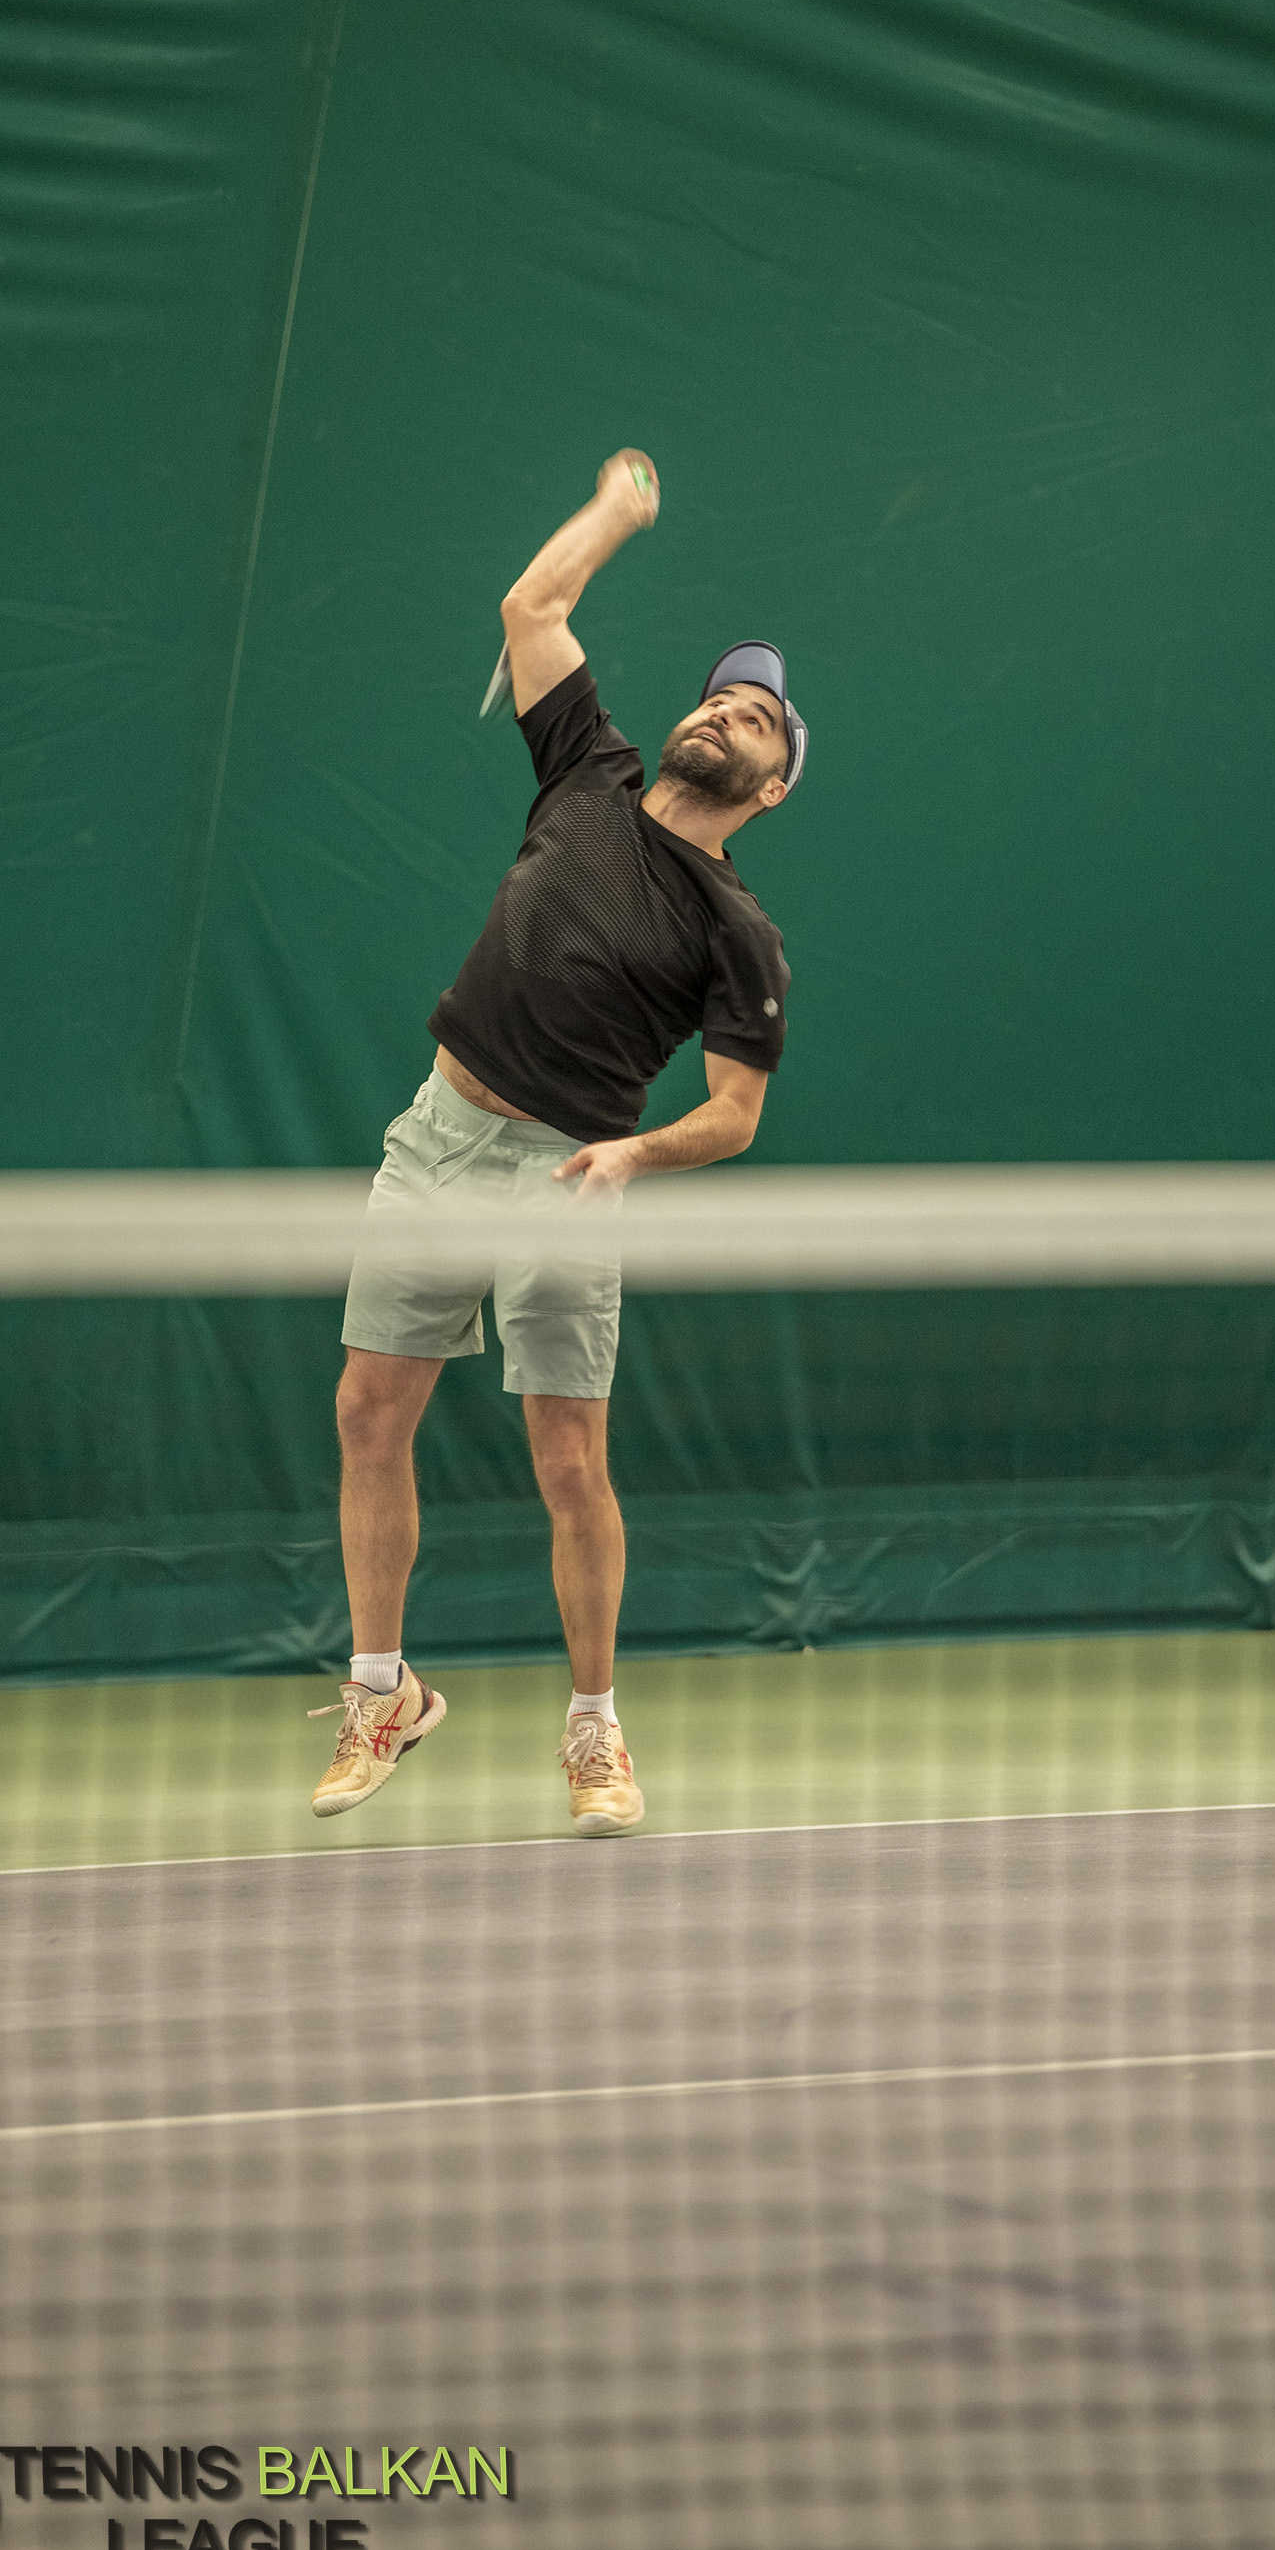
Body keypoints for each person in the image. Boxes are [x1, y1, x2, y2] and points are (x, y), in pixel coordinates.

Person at [310, 451, 804, 1834]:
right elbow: (532, 608)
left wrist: (631, 1160)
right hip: (437, 1136)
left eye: (759, 719)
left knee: (570, 1463)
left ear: (773, 787)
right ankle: (382, 1695)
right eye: (720, 697)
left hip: (569, 1176)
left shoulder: (740, 933)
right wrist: (615, 515)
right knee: (367, 1411)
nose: (727, 714)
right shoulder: (589, 769)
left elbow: (735, 1115)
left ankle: (595, 1728)